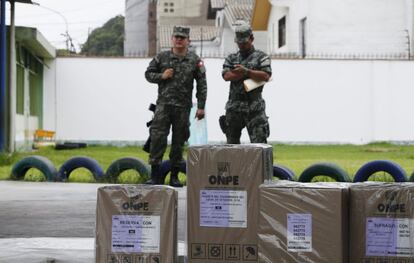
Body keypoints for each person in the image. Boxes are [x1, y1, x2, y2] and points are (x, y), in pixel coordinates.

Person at [145, 26, 207, 187]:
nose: (179, 40)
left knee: (179, 142)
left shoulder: (195, 60)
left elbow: (202, 84)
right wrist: (162, 76)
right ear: (172, 39)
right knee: (158, 139)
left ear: (188, 41)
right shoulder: (162, 57)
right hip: (163, 107)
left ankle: (174, 176)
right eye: (176, 37)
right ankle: (155, 176)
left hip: (183, 108)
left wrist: (201, 106)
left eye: (182, 38)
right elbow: (148, 74)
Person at [221, 21, 272, 144]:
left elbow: (266, 76)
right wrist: (252, 73)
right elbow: (226, 76)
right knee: (231, 146)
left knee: (259, 146)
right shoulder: (231, 58)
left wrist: (246, 71)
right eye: (239, 42)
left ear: (251, 38)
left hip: (254, 108)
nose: (241, 45)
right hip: (234, 108)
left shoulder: (262, 57)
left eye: (244, 42)